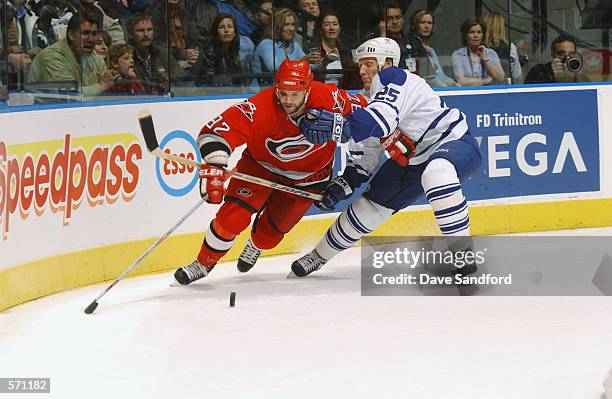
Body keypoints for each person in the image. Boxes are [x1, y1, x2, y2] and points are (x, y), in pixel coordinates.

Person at [292, 37, 482, 277]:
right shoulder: (367, 98)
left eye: (369, 63)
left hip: (453, 142)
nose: (362, 70)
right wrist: (341, 186)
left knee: (437, 174)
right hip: (413, 160)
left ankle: (463, 254)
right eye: (360, 65)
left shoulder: (395, 77)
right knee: (366, 208)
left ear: (388, 62)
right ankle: (318, 256)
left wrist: (338, 126)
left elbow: (380, 120)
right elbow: (367, 155)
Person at [173, 59, 367, 285]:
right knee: (232, 218)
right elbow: (215, 132)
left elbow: (372, 111)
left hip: (309, 178)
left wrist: (346, 125)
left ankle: (255, 245)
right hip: (260, 169)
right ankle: (203, 263)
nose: (287, 101)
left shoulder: (330, 98)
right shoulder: (261, 106)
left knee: (269, 237)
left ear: (308, 88)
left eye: (294, 95)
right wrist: (215, 166)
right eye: (283, 93)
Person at [27, 12, 118, 96]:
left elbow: (107, 91)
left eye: (94, 34)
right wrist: (102, 86)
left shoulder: (96, 59)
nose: (91, 39)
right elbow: (68, 96)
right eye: (85, 33)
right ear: (71, 35)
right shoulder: (51, 57)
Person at [127, 12, 184, 94]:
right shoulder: (126, 57)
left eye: (149, 30)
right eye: (141, 31)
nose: (146, 34)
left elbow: (183, 81)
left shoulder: (162, 53)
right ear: (130, 34)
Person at [407, 9, 459, 87]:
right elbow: (427, 78)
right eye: (423, 22)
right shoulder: (413, 48)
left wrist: (455, 84)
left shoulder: (431, 50)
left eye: (429, 23)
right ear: (415, 25)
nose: (426, 26)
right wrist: (445, 88)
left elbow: (442, 76)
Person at [192, 13, 244, 86]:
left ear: (234, 32)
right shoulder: (209, 52)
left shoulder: (234, 51)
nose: (226, 30)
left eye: (229, 26)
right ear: (216, 32)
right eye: (222, 27)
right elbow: (209, 81)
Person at [451, 17, 505, 86]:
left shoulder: (491, 53)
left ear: (483, 35)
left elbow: (501, 77)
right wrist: (484, 81)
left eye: (479, 32)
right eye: (472, 32)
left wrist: (486, 60)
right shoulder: (458, 55)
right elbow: (461, 80)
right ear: (465, 36)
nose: (476, 35)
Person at [311, 9, 356, 87]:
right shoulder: (313, 49)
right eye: (327, 24)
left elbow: (350, 75)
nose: (332, 28)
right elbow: (312, 74)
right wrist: (325, 61)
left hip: (341, 92)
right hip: (320, 91)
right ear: (320, 29)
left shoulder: (344, 49)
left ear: (339, 29)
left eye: (335, 24)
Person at [524, 34, 589, 84]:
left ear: (575, 55)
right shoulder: (539, 71)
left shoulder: (581, 78)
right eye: (561, 53)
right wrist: (550, 74)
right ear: (553, 54)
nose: (567, 57)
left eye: (571, 53)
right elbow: (531, 93)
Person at [483, 11, 522, 83]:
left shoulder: (479, 47)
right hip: (505, 87)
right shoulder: (510, 47)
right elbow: (517, 75)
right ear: (502, 28)